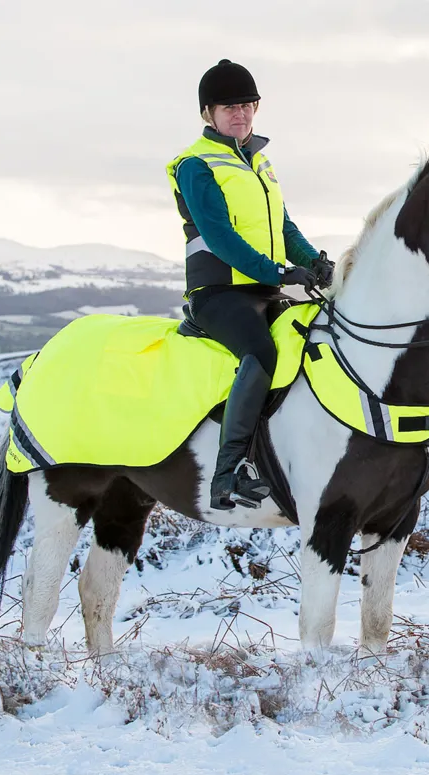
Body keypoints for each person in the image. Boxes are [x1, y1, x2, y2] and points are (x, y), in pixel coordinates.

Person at [167, 59, 334, 511]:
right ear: (208, 113)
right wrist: (280, 273)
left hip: (263, 290)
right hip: (219, 294)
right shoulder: (195, 164)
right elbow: (220, 238)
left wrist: (315, 263)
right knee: (261, 352)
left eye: (246, 105)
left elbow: (283, 225)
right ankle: (228, 473)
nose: (239, 114)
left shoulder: (259, 162)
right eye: (228, 107)